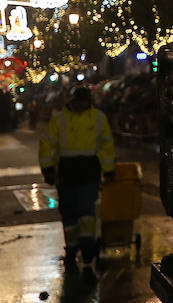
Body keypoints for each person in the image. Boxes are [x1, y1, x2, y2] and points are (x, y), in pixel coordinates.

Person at [39, 85, 116, 271]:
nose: (81, 105)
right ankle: (73, 248)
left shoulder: (98, 118)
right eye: (79, 101)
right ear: (72, 101)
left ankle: (87, 245)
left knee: (85, 208)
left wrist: (109, 169)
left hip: (88, 171)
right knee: (69, 211)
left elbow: (106, 145)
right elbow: (47, 144)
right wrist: (48, 169)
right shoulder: (60, 119)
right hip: (67, 172)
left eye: (84, 101)